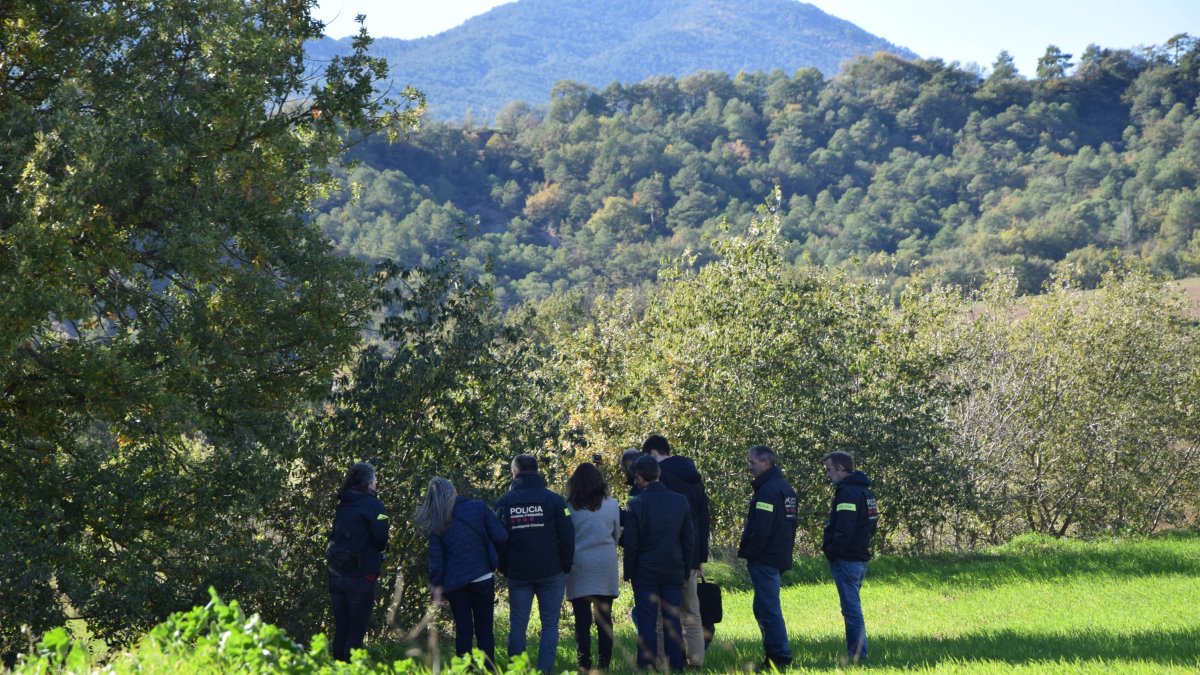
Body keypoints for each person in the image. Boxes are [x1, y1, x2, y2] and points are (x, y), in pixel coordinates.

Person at [494, 454, 575, 674]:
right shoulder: (554, 500)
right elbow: (568, 534)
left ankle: (517, 670)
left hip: (519, 573)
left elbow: (497, 539)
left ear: (515, 472)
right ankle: (545, 671)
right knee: (550, 624)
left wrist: (504, 567)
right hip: (551, 571)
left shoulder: (504, 502)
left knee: (518, 626)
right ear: (537, 471)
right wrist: (565, 564)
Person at [416, 477, 509, 668]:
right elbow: (501, 535)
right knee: (485, 629)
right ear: (453, 491)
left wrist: (437, 588)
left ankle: (464, 670)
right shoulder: (478, 508)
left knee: (463, 630)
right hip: (482, 575)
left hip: (455, 582)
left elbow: (436, 560)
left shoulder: (437, 520)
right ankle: (489, 669)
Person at [643, 434, 711, 667]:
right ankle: (697, 661)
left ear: (652, 453)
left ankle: (663, 663)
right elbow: (704, 517)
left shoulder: (661, 477)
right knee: (692, 613)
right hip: (692, 556)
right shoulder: (694, 476)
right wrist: (700, 556)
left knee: (664, 617)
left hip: (669, 555)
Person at [623, 455, 694, 672]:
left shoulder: (635, 504)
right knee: (672, 618)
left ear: (640, 478)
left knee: (647, 620)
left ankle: (647, 664)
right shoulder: (680, 500)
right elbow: (688, 539)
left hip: (645, 571)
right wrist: (686, 567)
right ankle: (676, 664)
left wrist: (628, 572)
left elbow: (631, 543)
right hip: (673, 568)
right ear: (658, 473)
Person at [737, 445, 798, 671]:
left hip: (765, 557)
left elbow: (762, 528)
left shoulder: (768, 491)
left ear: (766, 463)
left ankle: (780, 656)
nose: (749, 467)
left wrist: (751, 552)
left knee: (768, 608)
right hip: (779, 555)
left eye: (752, 462)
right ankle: (773, 652)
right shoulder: (785, 489)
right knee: (762, 607)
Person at [327, 462, 390, 662]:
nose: (377, 483)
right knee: (355, 634)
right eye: (375, 479)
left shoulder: (343, 504)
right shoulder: (374, 506)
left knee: (342, 629)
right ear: (369, 482)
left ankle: (336, 669)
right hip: (361, 577)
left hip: (336, 575)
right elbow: (381, 541)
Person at [822, 451, 879, 665]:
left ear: (841, 469)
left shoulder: (847, 494)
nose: (828, 475)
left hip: (847, 559)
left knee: (851, 610)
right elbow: (871, 525)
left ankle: (857, 656)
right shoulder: (866, 493)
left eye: (829, 470)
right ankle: (858, 654)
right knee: (852, 607)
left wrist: (833, 551)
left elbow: (844, 528)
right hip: (860, 557)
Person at [564, 463, 621, 672]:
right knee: (604, 620)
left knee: (581, 620)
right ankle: (604, 664)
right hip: (604, 565)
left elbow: (566, 537)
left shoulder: (568, 506)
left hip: (578, 566)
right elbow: (616, 535)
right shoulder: (612, 504)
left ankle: (583, 663)